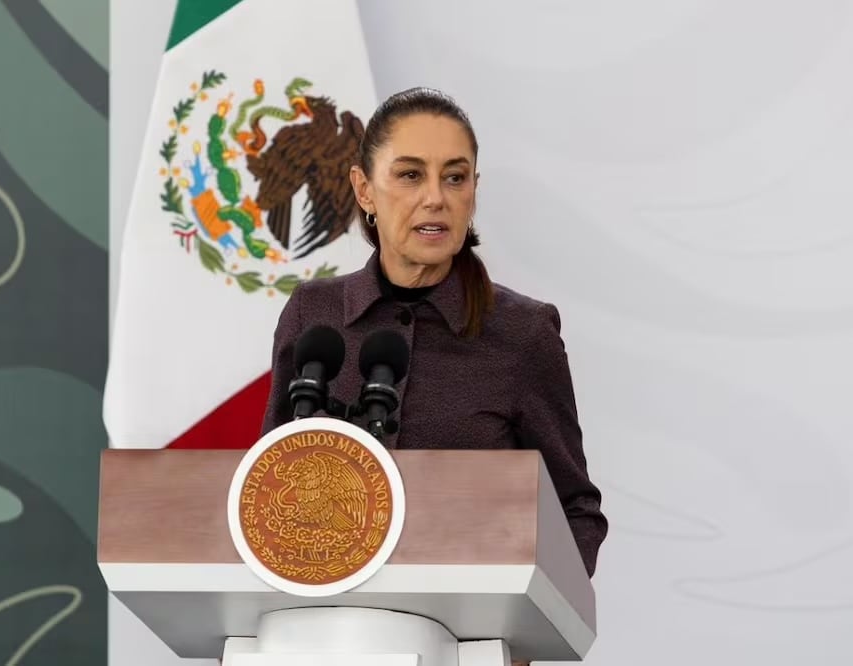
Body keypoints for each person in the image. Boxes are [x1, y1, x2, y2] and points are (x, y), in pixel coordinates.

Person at [260, 86, 607, 579]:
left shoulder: (523, 333)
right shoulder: (312, 316)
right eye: (409, 175)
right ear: (364, 190)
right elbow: (265, 493)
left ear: (473, 190)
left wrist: (523, 634)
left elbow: (575, 511)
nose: (435, 198)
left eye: (455, 177)